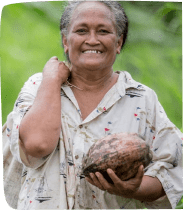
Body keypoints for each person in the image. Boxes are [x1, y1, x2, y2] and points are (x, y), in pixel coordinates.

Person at [3, 0, 183, 209]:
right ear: (65, 41)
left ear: (118, 42)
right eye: (81, 30)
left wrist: (135, 189)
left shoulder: (141, 99)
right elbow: (37, 145)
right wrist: (51, 80)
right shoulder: (39, 86)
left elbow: (173, 170)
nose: (92, 40)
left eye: (103, 31)